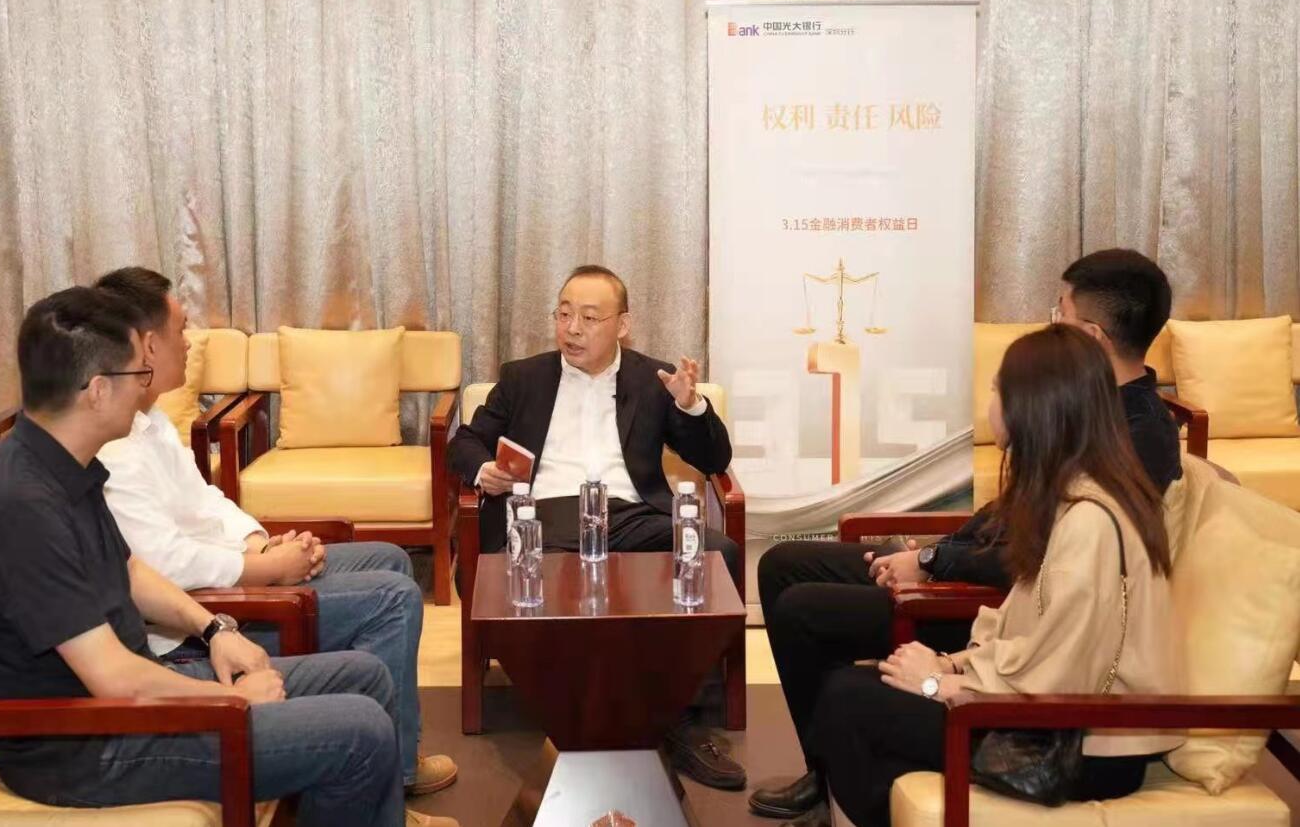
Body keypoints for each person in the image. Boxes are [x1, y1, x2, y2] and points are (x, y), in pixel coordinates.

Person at [0, 287, 412, 827]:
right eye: (138, 374)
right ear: (98, 390)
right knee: (359, 732)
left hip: (131, 698)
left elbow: (130, 571)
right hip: (85, 748)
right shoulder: (18, 505)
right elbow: (113, 678)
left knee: (366, 676)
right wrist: (229, 702)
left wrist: (215, 630)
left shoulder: (62, 466)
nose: (146, 387)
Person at [751, 248, 1182, 822]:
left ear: (1036, 410)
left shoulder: (1090, 520)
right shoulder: (1074, 490)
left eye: (999, 392)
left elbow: (1056, 681)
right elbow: (1027, 633)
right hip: (1050, 718)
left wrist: (939, 686)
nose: (988, 406)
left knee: (847, 702)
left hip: (1078, 747)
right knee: (848, 693)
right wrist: (952, 664)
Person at [90, 267, 457, 810]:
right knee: (393, 599)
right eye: (181, 329)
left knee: (388, 559)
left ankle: (390, 766)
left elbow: (205, 502)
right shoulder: (111, 449)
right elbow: (163, 563)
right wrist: (264, 570)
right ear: (146, 346)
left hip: (224, 579)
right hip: (195, 622)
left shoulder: (149, 422)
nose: (189, 342)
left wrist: (261, 543)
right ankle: (389, 780)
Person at [446, 264, 745, 789]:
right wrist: (483, 469)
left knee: (715, 552)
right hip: (543, 516)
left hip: (630, 514)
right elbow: (464, 441)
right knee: (556, 586)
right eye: (563, 315)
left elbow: (713, 459)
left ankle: (677, 715)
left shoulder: (654, 380)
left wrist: (689, 405)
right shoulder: (523, 377)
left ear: (622, 325)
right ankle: (580, 722)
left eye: (589, 317)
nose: (572, 329)